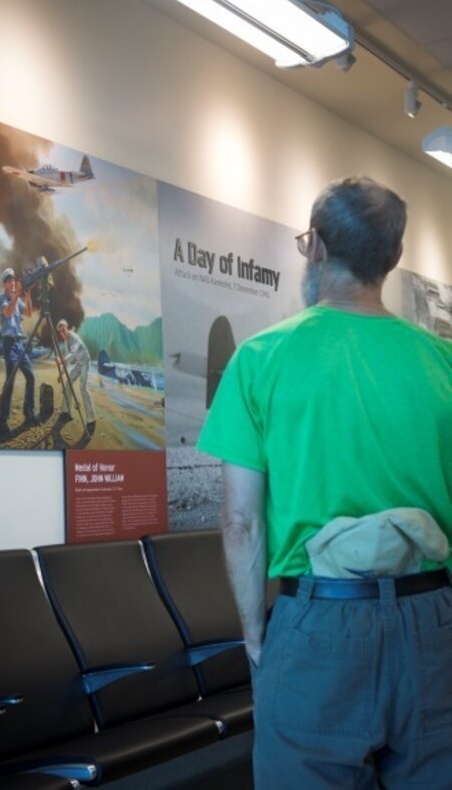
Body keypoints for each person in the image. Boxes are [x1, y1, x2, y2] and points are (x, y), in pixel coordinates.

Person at [197, 176, 452, 788]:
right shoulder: (442, 363)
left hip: (318, 625)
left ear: (315, 250)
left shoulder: (260, 359)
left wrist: (257, 637)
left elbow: (241, 521)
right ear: (391, 260)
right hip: (434, 620)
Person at [0, 267, 39, 436]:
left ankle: (29, 413)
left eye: (13, 280)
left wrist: (27, 295)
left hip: (20, 344)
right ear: (4, 284)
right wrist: (17, 295)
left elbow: (28, 313)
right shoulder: (2, 299)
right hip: (9, 344)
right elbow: (7, 312)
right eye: (9, 281)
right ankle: (2, 420)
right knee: (10, 382)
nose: (12, 282)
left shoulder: (17, 300)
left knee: (30, 376)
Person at [56, 319, 96, 436]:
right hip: (79, 364)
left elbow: (73, 353)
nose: (63, 333)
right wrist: (61, 374)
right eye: (60, 332)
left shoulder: (73, 337)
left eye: (63, 330)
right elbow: (68, 361)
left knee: (82, 388)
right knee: (68, 383)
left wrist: (62, 360)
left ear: (66, 328)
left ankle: (91, 420)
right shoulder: (67, 340)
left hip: (85, 362)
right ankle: (65, 412)